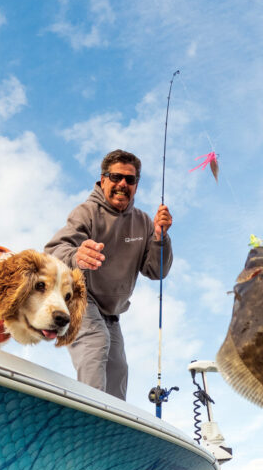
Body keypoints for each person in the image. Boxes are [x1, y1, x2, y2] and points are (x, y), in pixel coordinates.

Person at [45, 149, 173, 400]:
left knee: (118, 368)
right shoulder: (86, 212)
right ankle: (90, 414)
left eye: (130, 179)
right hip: (82, 298)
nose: (122, 184)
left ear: (136, 185)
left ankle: (111, 425)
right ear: (103, 180)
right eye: (115, 177)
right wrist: (76, 256)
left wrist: (160, 237)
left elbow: (156, 271)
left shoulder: (144, 222)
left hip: (112, 312)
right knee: (95, 341)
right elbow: (53, 251)